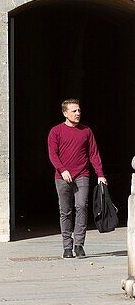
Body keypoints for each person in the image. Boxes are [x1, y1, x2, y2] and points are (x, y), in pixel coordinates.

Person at [47, 98, 106, 258]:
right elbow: (53, 153)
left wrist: (100, 174)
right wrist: (62, 169)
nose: (78, 113)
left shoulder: (86, 131)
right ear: (65, 113)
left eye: (79, 110)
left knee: (81, 207)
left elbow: (94, 154)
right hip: (62, 177)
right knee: (65, 211)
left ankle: (79, 245)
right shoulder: (56, 131)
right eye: (74, 111)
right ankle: (67, 247)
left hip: (82, 175)